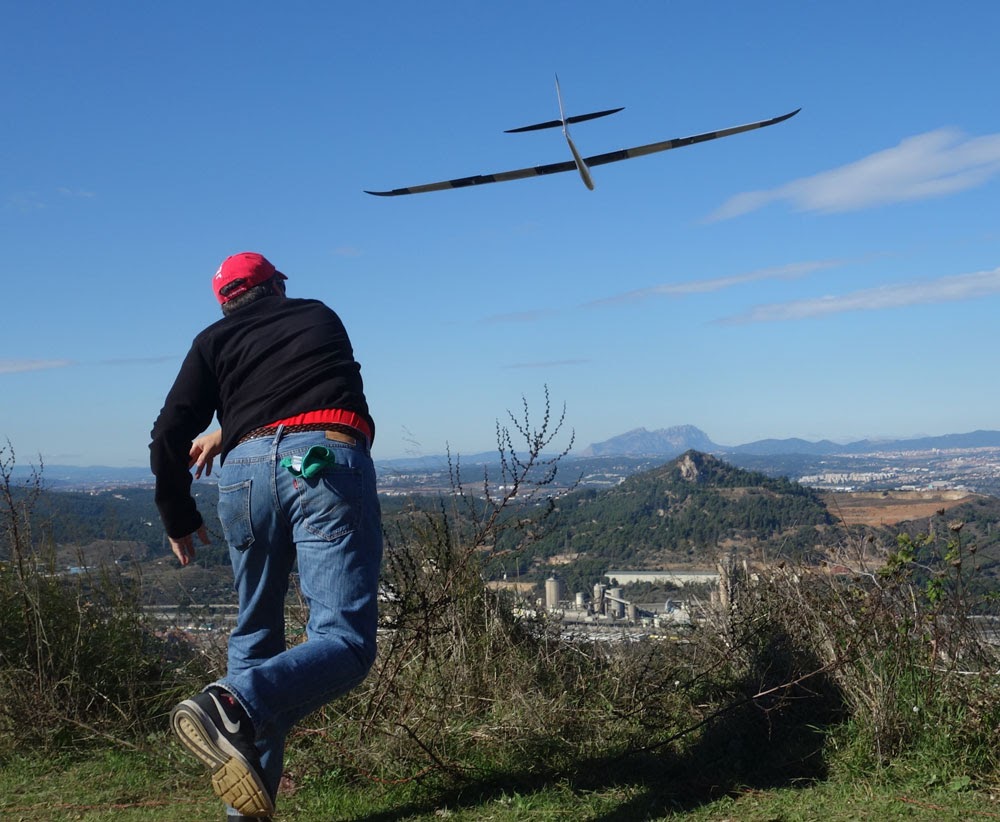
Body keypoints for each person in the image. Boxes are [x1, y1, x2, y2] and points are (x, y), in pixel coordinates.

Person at [150, 252, 383, 820]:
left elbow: (168, 433)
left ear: (225, 305)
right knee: (345, 643)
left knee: (254, 639)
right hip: (323, 462)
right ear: (277, 286)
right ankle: (231, 704)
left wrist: (179, 513)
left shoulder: (212, 341)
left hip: (244, 475)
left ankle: (245, 809)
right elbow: (301, 388)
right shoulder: (317, 315)